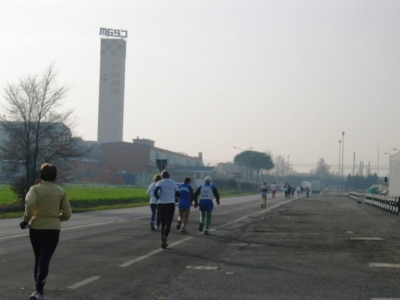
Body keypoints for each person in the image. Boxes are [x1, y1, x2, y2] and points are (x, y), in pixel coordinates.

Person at [20, 163, 72, 300]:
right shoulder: (60, 191)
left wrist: (26, 220)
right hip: (53, 229)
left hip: (36, 227)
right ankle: (39, 291)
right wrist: (56, 218)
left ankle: (38, 291)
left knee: (38, 258)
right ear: (54, 176)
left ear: (40, 175)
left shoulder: (35, 189)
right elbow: (67, 213)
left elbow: (30, 203)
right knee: (45, 260)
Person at [154, 170, 180, 249]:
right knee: (168, 223)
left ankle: (163, 239)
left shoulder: (160, 182)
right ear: (169, 176)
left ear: (162, 176)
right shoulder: (173, 182)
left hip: (161, 204)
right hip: (170, 204)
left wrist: (159, 197)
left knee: (163, 223)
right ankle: (165, 237)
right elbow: (178, 194)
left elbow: (155, 192)